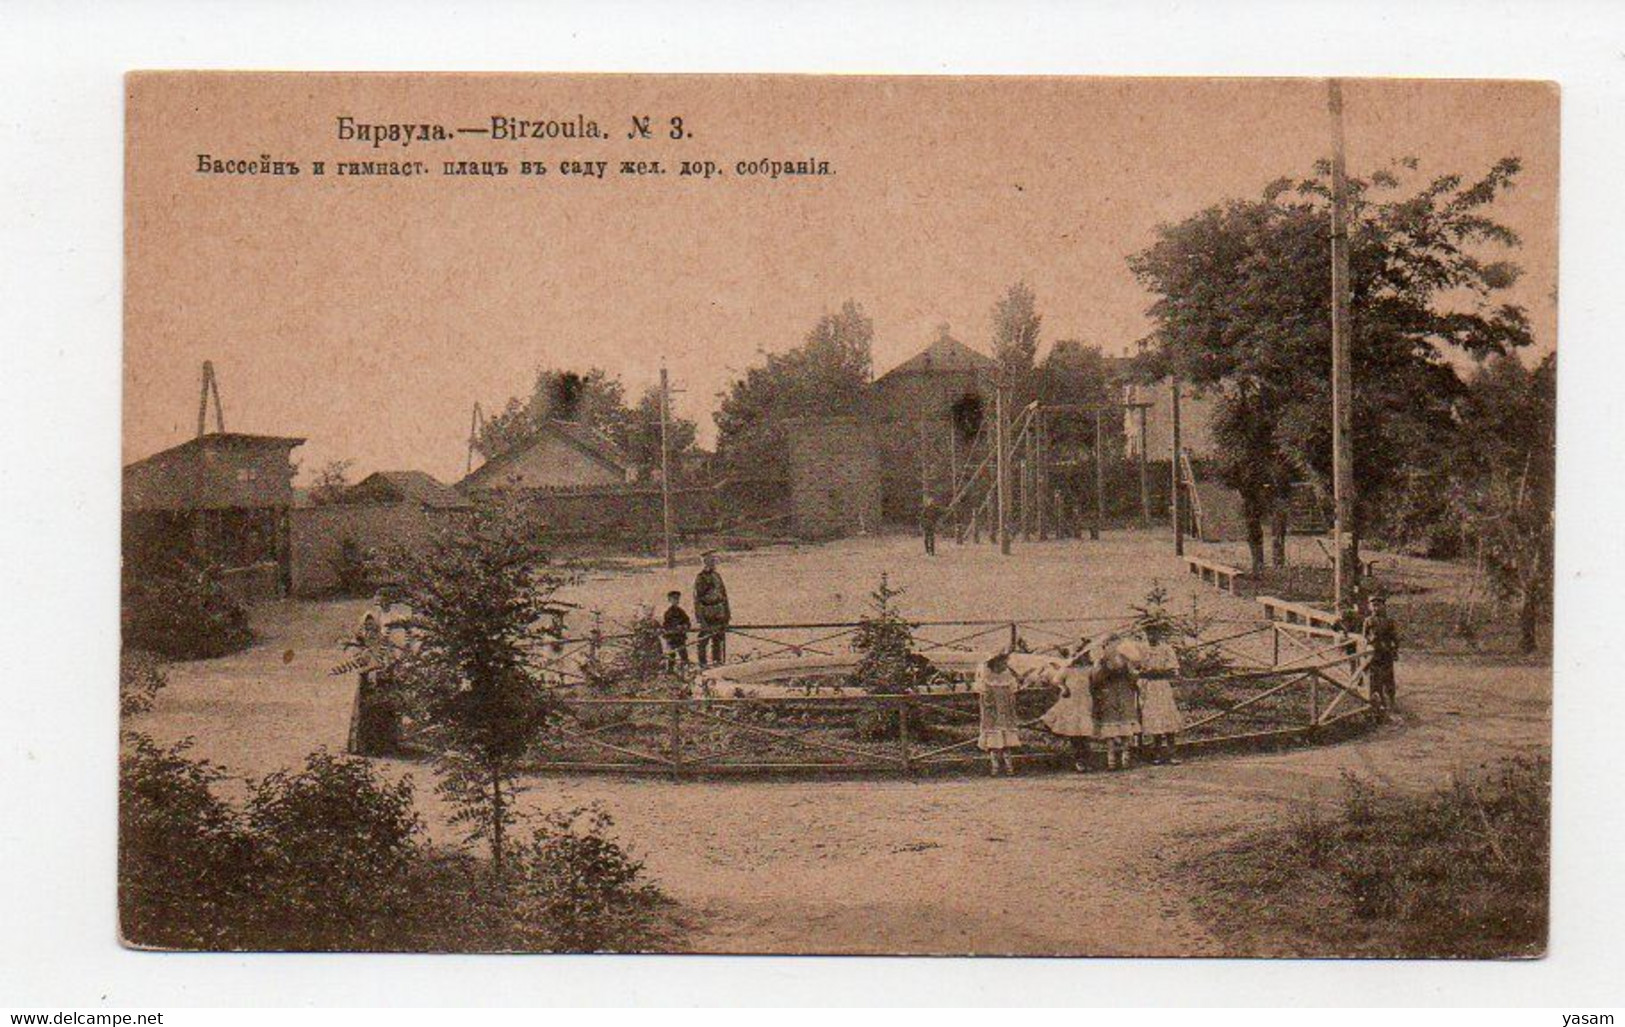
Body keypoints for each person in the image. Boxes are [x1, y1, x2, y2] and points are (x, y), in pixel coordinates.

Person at [347, 592, 406, 757]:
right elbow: (357, 647)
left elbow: (398, 647)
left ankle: (386, 744)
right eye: (378, 603)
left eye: (384, 602)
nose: (381, 605)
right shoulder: (369, 620)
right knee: (367, 707)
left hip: (386, 671)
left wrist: (391, 662)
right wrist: (364, 662)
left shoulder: (395, 619)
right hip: (368, 672)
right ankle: (365, 745)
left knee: (385, 706)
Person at [1040, 647, 1097, 771]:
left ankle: (1085, 760)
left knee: (1084, 732)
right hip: (1071, 702)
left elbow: (1095, 680)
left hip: (1084, 701)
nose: (1080, 659)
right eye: (1077, 656)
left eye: (1083, 656)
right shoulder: (1067, 670)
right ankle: (1079, 761)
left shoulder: (1088, 670)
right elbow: (1056, 680)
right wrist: (1063, 688)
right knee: (1074, 731)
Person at [1090, 638, 1141, 771]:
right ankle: (1111, 759)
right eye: (1108, 645)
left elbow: (1134, 677)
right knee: (1111, 728)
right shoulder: (1101, 661)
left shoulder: (1126, 659)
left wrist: (1129, 669)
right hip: (1109, 695)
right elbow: (1095, 679)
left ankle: (1125, 757)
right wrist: (1106, 669)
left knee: (1125, 726)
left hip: (1124, 694)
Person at [975, 650, 1023, 775]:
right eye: (1002, 661)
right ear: (995, 662)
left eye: (1005, 661)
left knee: (1006, 740)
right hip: (992, 712)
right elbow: (984, 695)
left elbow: (1013, 691)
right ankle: (995, 767)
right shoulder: (986, 676)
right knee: (994, 740)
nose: (1005, 664)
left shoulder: (1008, 676)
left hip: (1006, 712)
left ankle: (1009, 767)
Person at [1136, 638, 1183, 765]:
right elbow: (1136, 668)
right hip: (1149, 687)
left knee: (1168, 716)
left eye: (1155, 631)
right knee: (1154, 718)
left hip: (1162, 686)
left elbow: (1173, 670)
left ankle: (1171, 753)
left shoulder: (1166, 649)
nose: (1153, 634)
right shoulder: (1141, 648)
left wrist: (1159, 672)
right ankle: (1157, 753)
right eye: (1149, 630)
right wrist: (1145, 673)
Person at [694, 551, 731, 667]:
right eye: (710, 561)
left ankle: (717, 662)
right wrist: (700, 618)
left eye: (713, 561)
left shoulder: (717, 576)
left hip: (719, 612)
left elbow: (724, 596)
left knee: (718, 639)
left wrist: (727, 614)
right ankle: (702, 663)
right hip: (707, 613)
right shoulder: (701, 578)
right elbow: (697, 599)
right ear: (705, 563)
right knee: (703, 639)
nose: (713, 563)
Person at [1365, 594, 1400, 716]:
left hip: (1386, 653)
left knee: (1389, 678)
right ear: (1370, 607)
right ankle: (1379, 704)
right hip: (1374, 653)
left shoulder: (1389, 621)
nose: (1376, 608)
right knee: (1375, 679)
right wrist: (1369, 641)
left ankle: (1392, 702)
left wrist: (1395, 650)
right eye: (1373, 606)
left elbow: (1395, 637)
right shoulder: (1368, 621)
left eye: (1378, 605)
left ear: (1383, 606)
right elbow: (1363, 637)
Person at [660, 589, 692, 672]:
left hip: (680, 637)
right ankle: (670, 671)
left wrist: (685, 626)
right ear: (670, 600)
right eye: (673, 599)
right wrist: (675, 627)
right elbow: (666, 624)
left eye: (677, 599)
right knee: (672, 654)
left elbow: (687, 621)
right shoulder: (668, 613)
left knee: (683, 654)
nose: (676, 601)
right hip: (672, 638)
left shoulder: (681, 612)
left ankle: (685, 670)